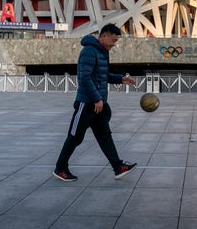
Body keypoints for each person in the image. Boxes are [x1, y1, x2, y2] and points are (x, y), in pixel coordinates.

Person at [53, 23, 137, 182]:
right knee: (74, 137)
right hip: (86, 104)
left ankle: (118, 167)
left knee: (105, 136)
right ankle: (60, 168)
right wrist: (97, 98)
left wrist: (120, 79)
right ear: (104, 36)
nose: (114, 44)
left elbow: (102, 76)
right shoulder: (89, 51)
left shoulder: (102, 52)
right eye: (113, 40)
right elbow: (84, 78)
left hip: (98, 105)